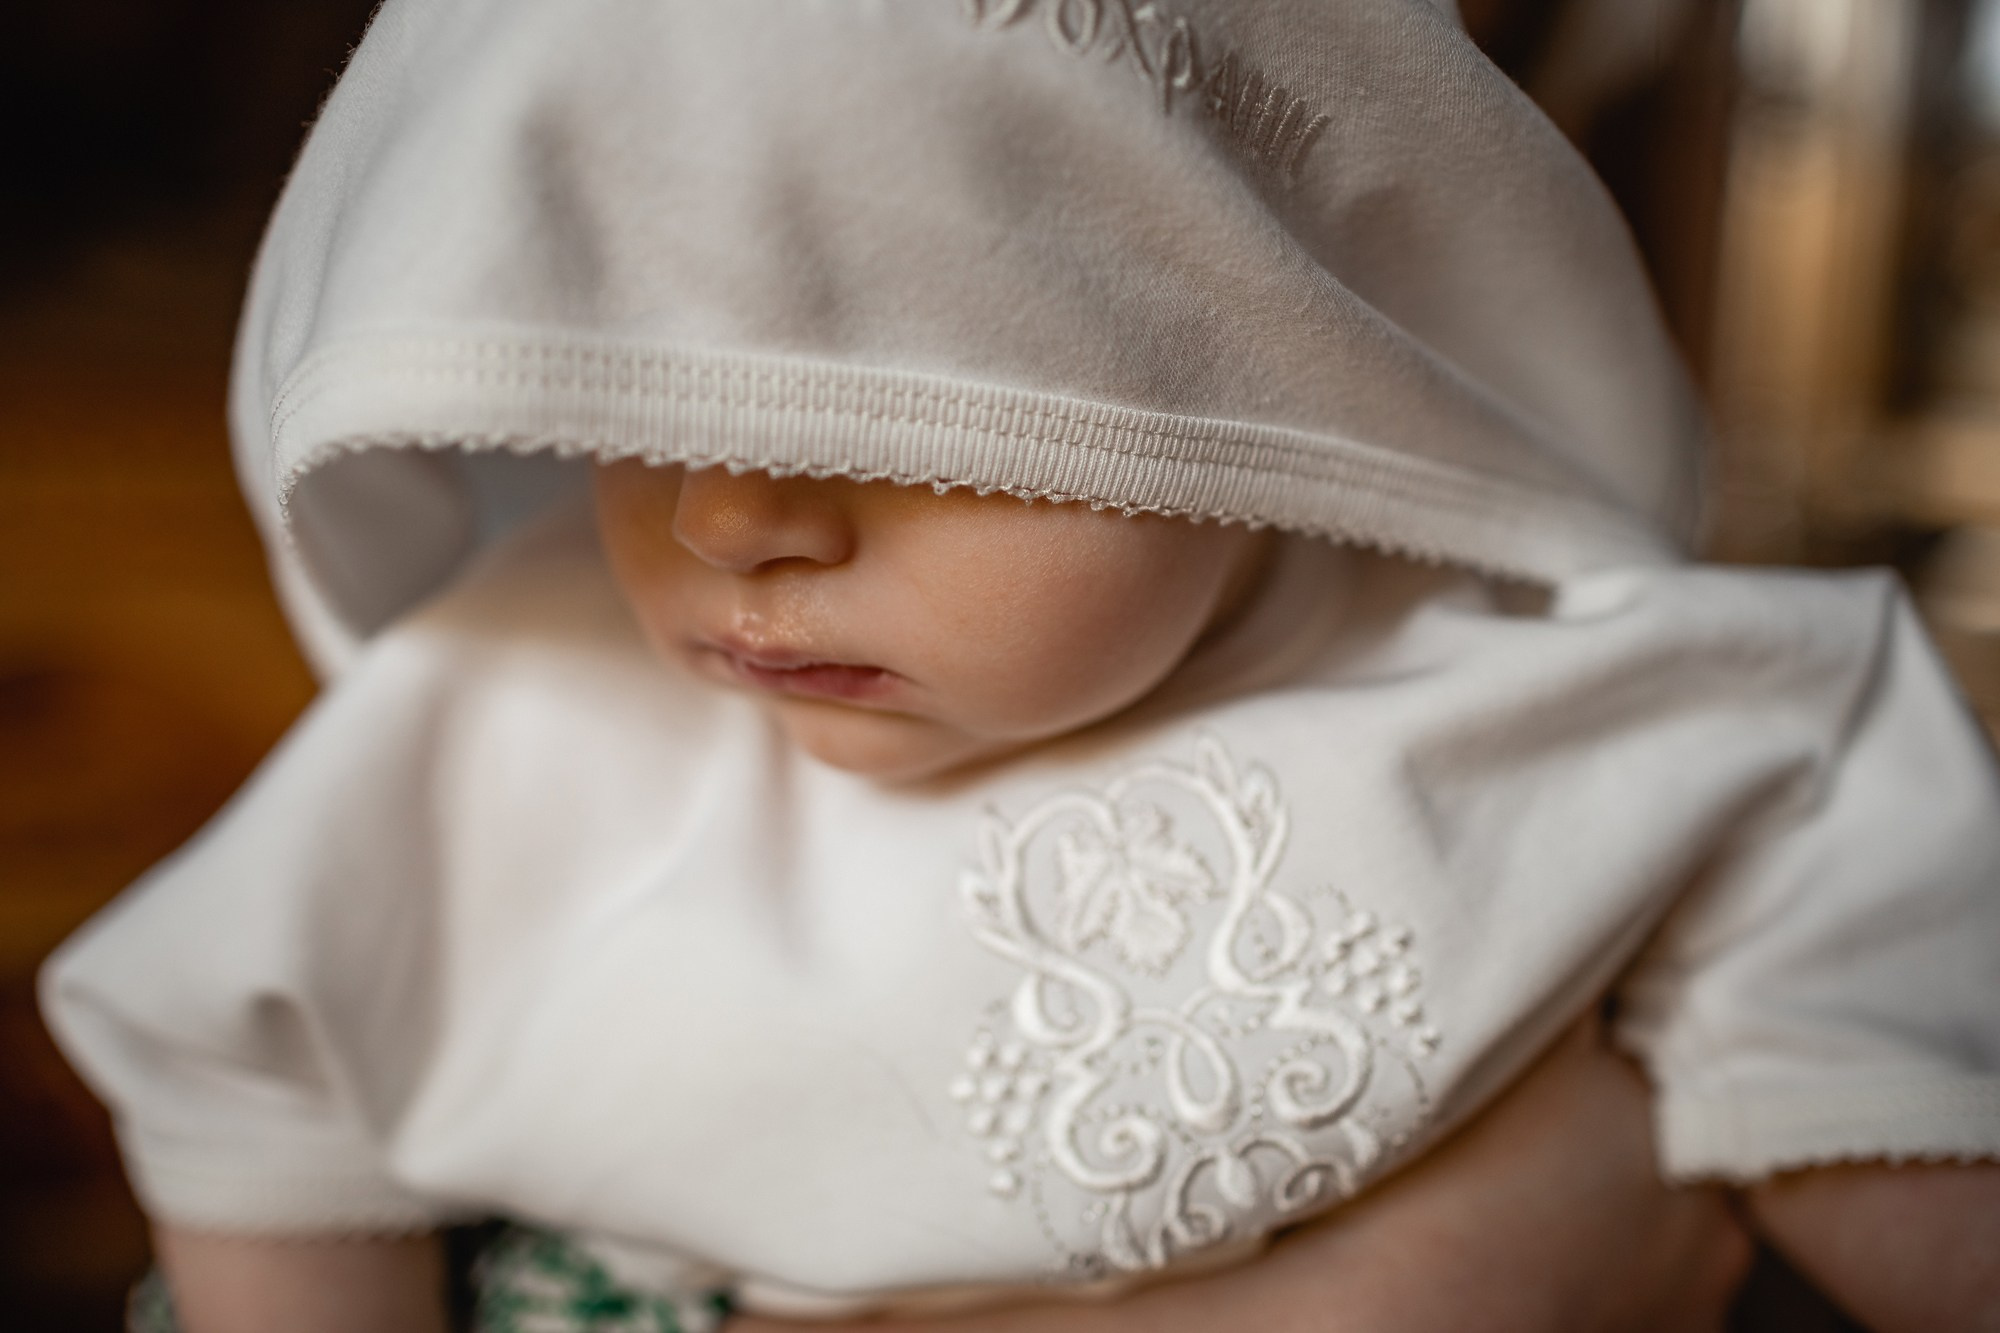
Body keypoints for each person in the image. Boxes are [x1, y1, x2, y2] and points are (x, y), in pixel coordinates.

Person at [42, 0, 2000, 1329]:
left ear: (1257, 384)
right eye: (636, 402)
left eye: (908, 425)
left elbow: (1880, 1126)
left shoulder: (1621, 715)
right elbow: (249, 1076)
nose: (738, 523)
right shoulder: (512, 708)